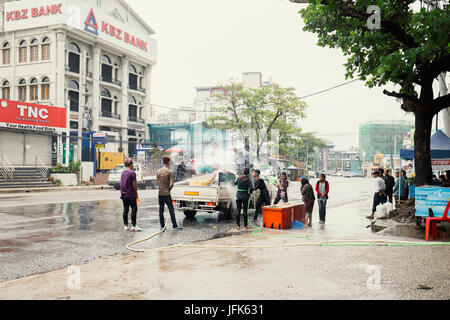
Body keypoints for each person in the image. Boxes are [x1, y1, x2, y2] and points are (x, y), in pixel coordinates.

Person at [156, 156, 183, 231]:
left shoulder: (158, 171)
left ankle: (162, 226)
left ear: (162, 162)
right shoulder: (170, 172)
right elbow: (172, 184)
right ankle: (174, 226)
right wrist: (168, 190)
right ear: (168, 162)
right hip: (167, 194)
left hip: (160, 193)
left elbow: (157, 183)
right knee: (171, 209)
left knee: (161, 210)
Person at [120, 158, 141, 232]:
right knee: (134, 209)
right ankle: (133, 226)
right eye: (132, 164)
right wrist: (136, 194)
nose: (133, 165)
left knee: (125, 209)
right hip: (131, 195)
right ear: (130, 164)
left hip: (124, 195)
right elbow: (134, 185)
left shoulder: (123, 173)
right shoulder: (132, 173)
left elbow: (122, 184)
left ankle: (125, 226)